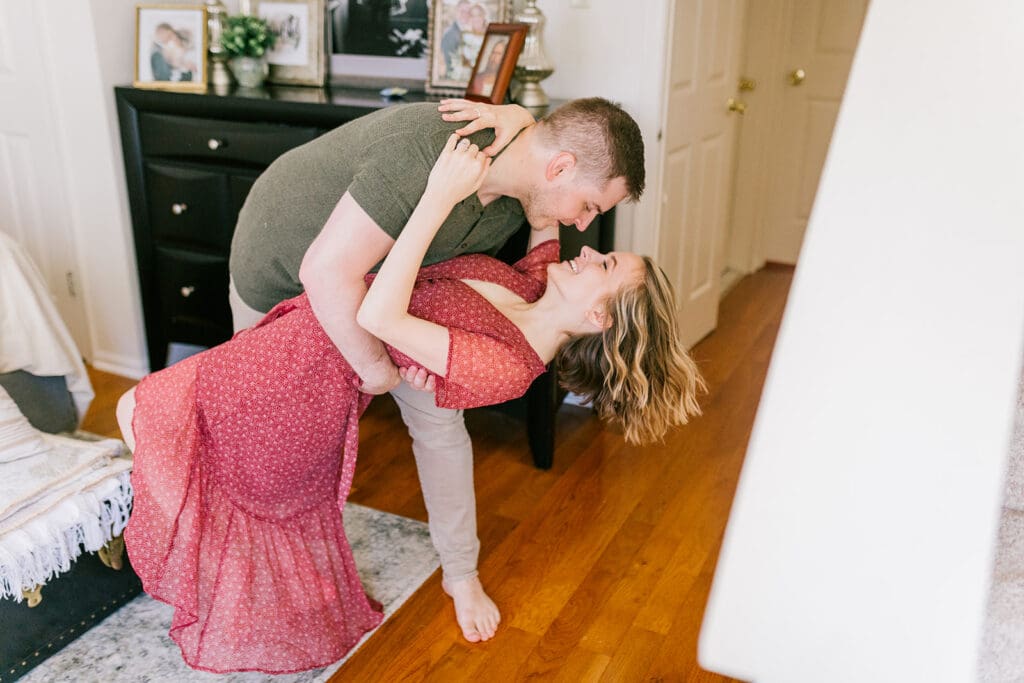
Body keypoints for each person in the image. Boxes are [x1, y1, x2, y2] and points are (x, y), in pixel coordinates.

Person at [117, 135, 703, 674]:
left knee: (156, 427)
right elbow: (545, 196)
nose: (588, 249)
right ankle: (184, 546)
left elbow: (377, 317)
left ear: (599, 318)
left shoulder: (507, 365)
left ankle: (181, 550)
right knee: (184, 445)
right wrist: (510, 120)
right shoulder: (536, 280)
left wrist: (438, 198)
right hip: (299, 333)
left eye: (604, 265)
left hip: (301, 374)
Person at [227, 96, 646, 644]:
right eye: (589, 205)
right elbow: (325, 274)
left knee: (441, 429)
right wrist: (378, 373)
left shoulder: (518, 193)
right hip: (289, 275)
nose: (583, 227)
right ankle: (250, 580)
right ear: (560, 168)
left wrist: (519, 111)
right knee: (274, 443)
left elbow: (547, 126)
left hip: (395, 296)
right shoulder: (429, 156)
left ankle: (461, 572)